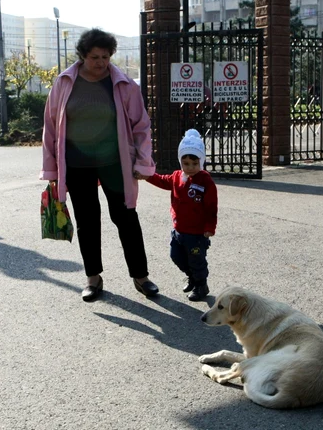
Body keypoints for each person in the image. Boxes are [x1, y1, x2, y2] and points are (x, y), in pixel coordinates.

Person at [39, 28, 157, 302]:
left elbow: (141, 127)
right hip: (77, 163)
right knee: (87, 221)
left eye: (106, 56)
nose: (101, 62)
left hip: (114, 162)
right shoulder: (64, 82)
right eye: (95, 57)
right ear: (82, 56)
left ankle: (141, 277)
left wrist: (143, 161)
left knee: (126, 218)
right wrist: (52, 171)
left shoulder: (124, 84)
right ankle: (93, 278)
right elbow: (50, 127)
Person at [144, 129, 217, 301]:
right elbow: (162, 180)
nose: (190, 168)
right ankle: (192, 277)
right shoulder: (177, 177)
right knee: (175, 255)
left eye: (194, 163)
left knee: (196, 259)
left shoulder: (205, 181)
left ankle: (201, 285)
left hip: (197, 233)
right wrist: (147, 176)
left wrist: (209, 227)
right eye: (185, 163)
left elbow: (211, 207)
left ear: (202, 161)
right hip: (179, 230)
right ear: (180, 162)